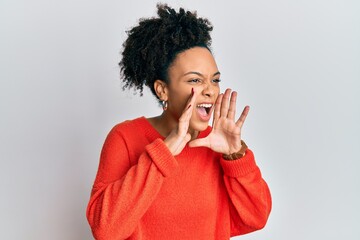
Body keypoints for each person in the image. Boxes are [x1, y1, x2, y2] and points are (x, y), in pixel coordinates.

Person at [86, 4, 271, 240]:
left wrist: (235, 155)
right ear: (163, 90)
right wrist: (163, 152)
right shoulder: (125, 138)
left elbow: (256, 218)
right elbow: (106, 230)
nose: (210, 91)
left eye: (214, 80)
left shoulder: (217, 146)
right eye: (195, 80)